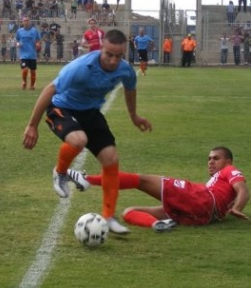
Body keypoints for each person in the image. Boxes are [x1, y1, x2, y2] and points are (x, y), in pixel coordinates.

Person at [22, 29, 153, 235]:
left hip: (90, 112)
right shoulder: (80, 67)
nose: (113, 60)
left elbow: (130, 89)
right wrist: (32, 126)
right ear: (102, 49)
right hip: (61, 108)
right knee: (78, 140)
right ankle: (60, 172)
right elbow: (49, 90)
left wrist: (134, 116)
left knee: (111, 158)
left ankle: (108, 217)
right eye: (109, 54)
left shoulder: (125, 70)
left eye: (118, 56)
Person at [66, 146, 250, 232]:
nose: (211, 162)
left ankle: (87, 179)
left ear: (228, 161)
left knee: (142, 180)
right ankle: (157, 225)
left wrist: (237, 208)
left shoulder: (229, 170)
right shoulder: (216, 182)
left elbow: (243, 190)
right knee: (129, 212)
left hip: (202, 199)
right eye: (209, 158)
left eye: (216, 158)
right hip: (201, 216)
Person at [15, 16, 41, 90]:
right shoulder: (19, 31)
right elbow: (16, 40)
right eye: (24, 21)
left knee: (33, 71)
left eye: (27, 20)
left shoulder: (34, 31)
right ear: (22, 22)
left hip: (32, 54)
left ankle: (32, 86)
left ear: (30, 22)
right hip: (24, 55)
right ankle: (24, 82)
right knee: (25, 69)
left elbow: (38, 40)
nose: (26, 22)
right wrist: (17, 44)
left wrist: (38, 44)